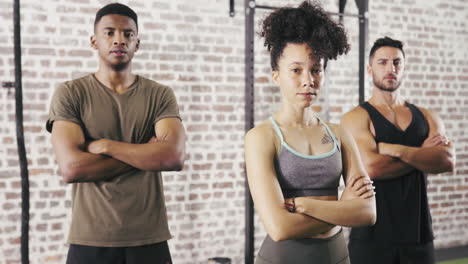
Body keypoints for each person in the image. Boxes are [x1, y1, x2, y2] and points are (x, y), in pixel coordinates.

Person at [46, 3, 185, 264]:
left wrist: (107, 146)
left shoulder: (159, 94)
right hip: (90, 239)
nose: (119, 39)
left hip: (149, 238)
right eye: (109, 33)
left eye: (128, 34)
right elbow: (72, 168)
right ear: (94, 41)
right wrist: (145, 151)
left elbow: (172, 158)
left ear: (137, 43)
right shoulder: (71, 93)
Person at [244, 1, 377, 263]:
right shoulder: (261, 137)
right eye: (296, 70)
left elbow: (367, 213)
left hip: (337, 257)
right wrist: (342, 208)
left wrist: (306, 206)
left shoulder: (340, 134)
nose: (308, 80)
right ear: (275, 76)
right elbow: (280, 227)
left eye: (316, 69)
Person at [342, 36, 455, 264]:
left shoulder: (427, 116)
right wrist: (422, 154)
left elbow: (445, 160)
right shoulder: (355, 117)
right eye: (382, 62)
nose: (390, 69)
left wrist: (391, 148)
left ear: (403, 68)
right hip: (371, 237)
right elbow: (372, 167)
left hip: (419, 234)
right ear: (369, 68)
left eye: (396, 63)